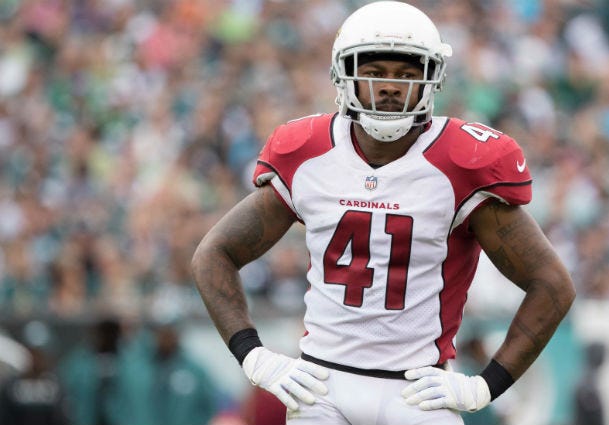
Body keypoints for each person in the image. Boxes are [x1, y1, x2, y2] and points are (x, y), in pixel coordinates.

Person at [191, 2, 575, 424]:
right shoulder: (308, 152)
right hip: (320, 385)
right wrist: (253, 355)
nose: (390, 87)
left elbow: (552, 284)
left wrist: (486, 384)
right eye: (375, 72)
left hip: (415, 392)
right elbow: (213, 254)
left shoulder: (463, 162)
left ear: (432, 81)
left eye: (407, 75)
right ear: (345, 75)